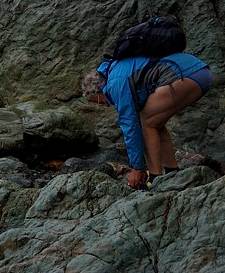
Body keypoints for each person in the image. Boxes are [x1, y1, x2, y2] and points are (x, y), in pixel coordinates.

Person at [83, 51, 212, 189]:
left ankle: (155, 178)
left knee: (146, 123)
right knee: (155, 124)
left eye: (100, 102)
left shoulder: (115, 83)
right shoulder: (116, 69)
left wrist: (137, 168)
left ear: (98, 91)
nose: (106, 104)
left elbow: (131, 126)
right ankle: (172, 172)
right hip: (201, 72)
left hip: (187, 75)